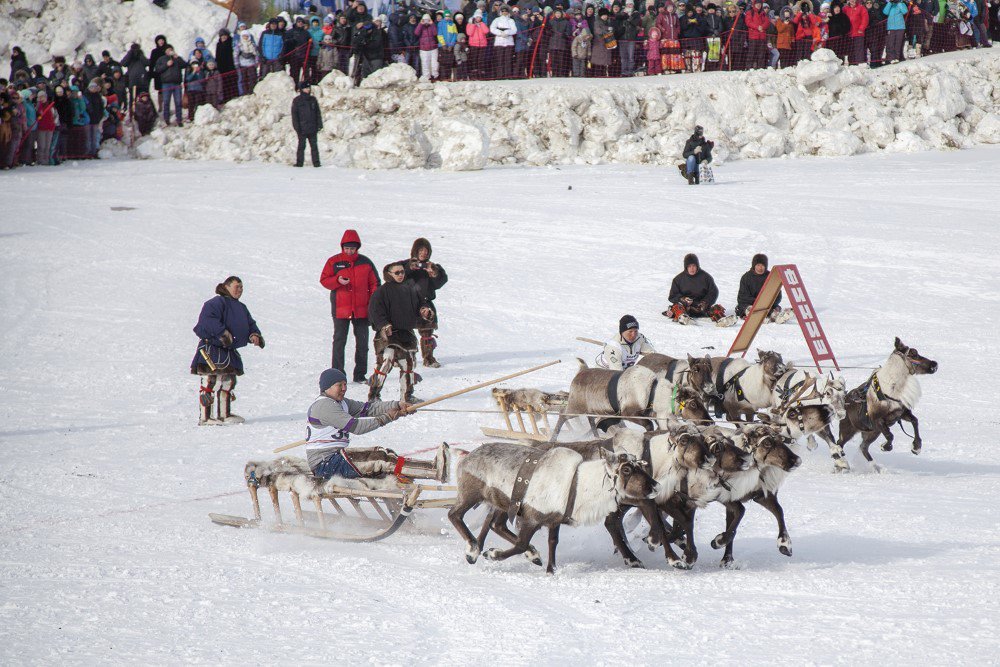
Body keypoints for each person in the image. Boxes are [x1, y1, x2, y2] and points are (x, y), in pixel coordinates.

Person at [304, 368, 449, 482]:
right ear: (327, 387)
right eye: (339, 385)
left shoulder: (341, 402)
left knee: (386, 456)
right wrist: (387, 418)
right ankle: (433, 470)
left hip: (336, 458)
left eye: (345, 384)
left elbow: (369, 409)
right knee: (380, 458)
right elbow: (356, 427)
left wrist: (397, 405)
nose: (344, 388)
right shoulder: (324, 406)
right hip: (326, 464)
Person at [190, 276, 265, 425]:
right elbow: (208, 321)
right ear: (227, 286)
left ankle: (224, 414)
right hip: (212, 349)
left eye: (242, 287)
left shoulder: (241, 307)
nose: (240, 290)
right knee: (211, 380)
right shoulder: (215, 303)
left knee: (228, 382)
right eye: (237, 286)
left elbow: (250, 324)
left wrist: (254, 335)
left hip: (229, 352)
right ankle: (206, 417)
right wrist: (223, 334)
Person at [368, 262, 434, 402]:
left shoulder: (410, 288)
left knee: (407, 364)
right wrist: (384, 325)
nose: (401, 275)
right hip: (389, 335)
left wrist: (424, 311)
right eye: (397, 272)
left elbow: (422, 304)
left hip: (406, 334)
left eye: (402, 272)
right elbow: (375, 312)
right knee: (386, 361)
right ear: (389, 274)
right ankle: (374, 395)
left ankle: (406, 396)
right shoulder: (382, 291)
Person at [321, 230, 380, 383]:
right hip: (341, 309)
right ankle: (337, 375)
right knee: (339, 341)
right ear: (342, 247)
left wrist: (372, 301)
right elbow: (324, 280)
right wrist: (338, 280)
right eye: (346, 248)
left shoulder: (366, 262)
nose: (349, 251)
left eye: (352, 248)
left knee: (362, 343)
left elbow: (375, 283)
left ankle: (360, 375)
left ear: (357, 248)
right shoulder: (333, 261)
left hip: (362, 310)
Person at [400, 238, 448, 368]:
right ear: (415, 251)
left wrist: (434, 273)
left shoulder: (432, 266)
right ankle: (405, 358)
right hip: (407, 302)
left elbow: (441, 282)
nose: (424, 253)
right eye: (421, 250)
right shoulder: (405, 264)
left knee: (427, 330)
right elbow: (390, 274)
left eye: (426, 251)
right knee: (404, 332)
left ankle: (428, 358)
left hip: (425, 303)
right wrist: (410, 268)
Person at [664, 253, 727, 324]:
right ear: (686, 267)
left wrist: (705, 302)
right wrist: (682, 299)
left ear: (697, 266)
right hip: (685, 307)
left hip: (702, 307)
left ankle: (723, 320)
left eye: (694, 266)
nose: (692, 268)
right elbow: (672, 296)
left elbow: (713, 292)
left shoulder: (706, 277)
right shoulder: (678, 279)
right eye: (689, 266)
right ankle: (683, 318)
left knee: (717, 308)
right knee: (677, 307)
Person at [735, 253, 791, 322]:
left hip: (767, 304)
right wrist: (758, 301)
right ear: (754, 265)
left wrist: (767, 302)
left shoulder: (771, 277)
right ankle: (754, 314)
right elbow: (742, 297)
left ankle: (775, 316)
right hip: (750, 304)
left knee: (774, 308)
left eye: (762, 265)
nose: (760, 268)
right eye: (758, 265)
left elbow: (778, 296)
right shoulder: (746, 278)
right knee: (745, 307)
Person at [291, 80, 322, 167]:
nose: (308, 89)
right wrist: (297, 127)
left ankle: (316, 163)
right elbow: (294, 116)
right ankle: (299, 163)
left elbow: (317, 113)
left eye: (308, 88)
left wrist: (319, 124)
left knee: (314, 146)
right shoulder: (297, 101)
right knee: (301, 146)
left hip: (313, 127)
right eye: (305, 88)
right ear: (301, 89)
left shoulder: (313, 100)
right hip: (302, 128)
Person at [154, 45, 186, 126]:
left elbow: (184, 65)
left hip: (177, 83)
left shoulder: (177, 58)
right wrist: (166, 65)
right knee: (166, 102)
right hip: (166, 83)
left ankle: (179, 120)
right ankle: (166, 119)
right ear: (165, 51)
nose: (170, 51)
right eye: (168, 49)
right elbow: (157, 69)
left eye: (171, 49)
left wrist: (177, 57)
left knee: (178, 102)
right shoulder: (161, 59)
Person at [414, 13, 440, 81]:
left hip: (433, 48)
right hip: (424, 49)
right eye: (425, 20)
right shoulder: (420, 26)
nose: (426, 22)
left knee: (434, 64)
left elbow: (435, 33)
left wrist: (432, 24)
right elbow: (416, 33)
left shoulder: (432, 26)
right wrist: (420, 24)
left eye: (427, 20)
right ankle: (427, 77)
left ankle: (435, 76)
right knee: (425, 64)